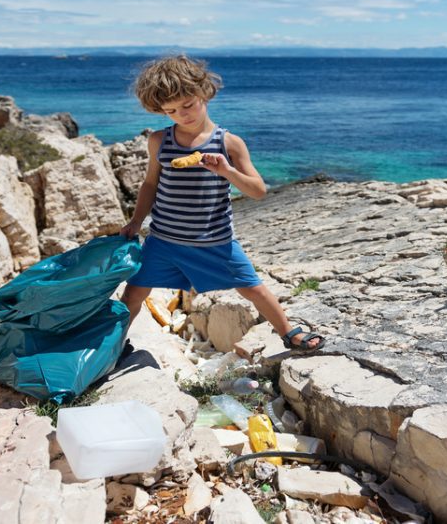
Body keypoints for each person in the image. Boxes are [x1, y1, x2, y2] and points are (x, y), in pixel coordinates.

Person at [119, 55, 323, 353]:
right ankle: (111, 347)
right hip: (163, 239)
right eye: (171, 111)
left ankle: (288, 331)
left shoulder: (228, 143)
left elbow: (257, 191)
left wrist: (227, 171)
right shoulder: (159, 140)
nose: (182, 115)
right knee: (133, 293)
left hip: (213, 241)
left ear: (204, 93)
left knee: (252, 287)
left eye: (187, 105)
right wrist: (136, 221)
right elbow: (150, 184)